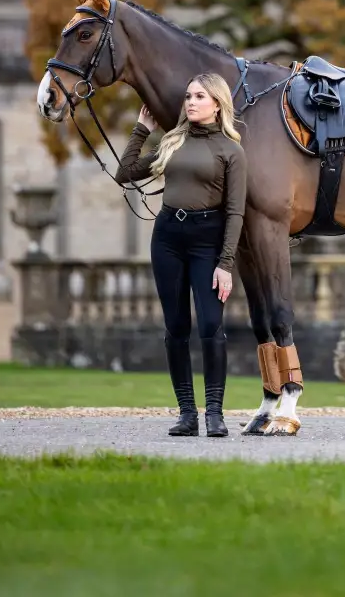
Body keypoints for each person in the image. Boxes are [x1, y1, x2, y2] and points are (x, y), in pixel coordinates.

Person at [114, 72, 247, 438]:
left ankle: (214, 414)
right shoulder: (173, 142)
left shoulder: (231, 151)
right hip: (168, 237)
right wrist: (141, 129)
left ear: (217, 104)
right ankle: (187, 414)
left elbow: (235, 212)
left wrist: (225, 264)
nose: (190, 102)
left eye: (200, 96)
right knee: (175, 327)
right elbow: (124, 173)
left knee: (209, 326)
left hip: (208, 241)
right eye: (188, 95)